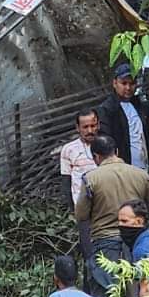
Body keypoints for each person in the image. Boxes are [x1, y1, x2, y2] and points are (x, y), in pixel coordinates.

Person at [74, 134, 149, 297]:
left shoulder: (91, 179)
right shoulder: (140, 175)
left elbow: (81, 214)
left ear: (96, 156)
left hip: (104, 245)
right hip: (135, 243)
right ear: (117, 152)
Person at [97, 63, 149, 172]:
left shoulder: (138, 105)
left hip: (147, 167)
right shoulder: (107, 109)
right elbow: (106, 141)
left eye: (132, 83)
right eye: (124, 83)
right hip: (123, 170)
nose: (128, 88)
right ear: (115, 83)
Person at [59, 109, 99, 261]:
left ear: (98, 125)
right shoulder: (69, 150)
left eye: (93, 126)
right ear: (78, 128)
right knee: (89, 252)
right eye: (85, 127)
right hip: (83, 209)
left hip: (105, 206)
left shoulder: (105, 144)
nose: (90, 130)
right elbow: (66, 181)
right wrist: (72, 210)